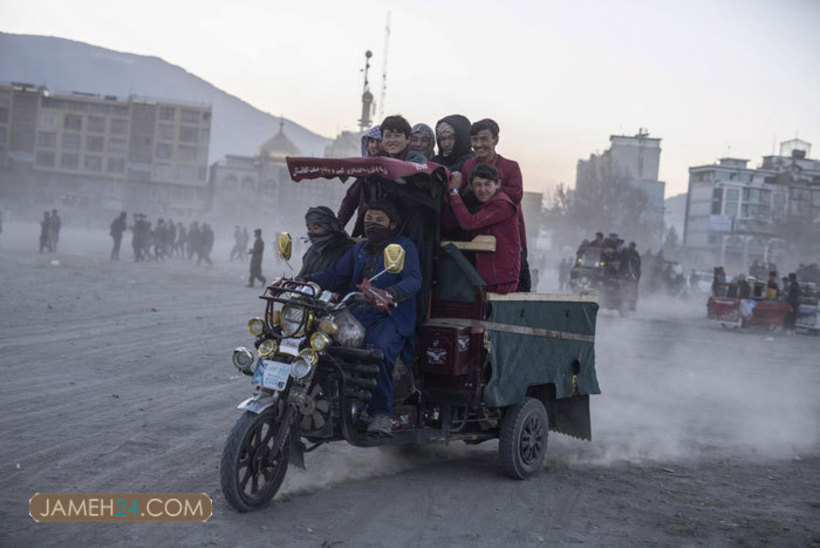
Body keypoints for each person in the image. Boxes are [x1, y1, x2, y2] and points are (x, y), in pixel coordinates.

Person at [309, 199, 421, 434]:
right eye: (369, 219)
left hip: (390, 316)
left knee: (377, 351)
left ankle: (381, 414)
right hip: (356, 313)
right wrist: (304, 282)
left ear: (392, 223)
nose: (372, 224)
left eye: (379, 220)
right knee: (321, 343)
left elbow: (413, 279)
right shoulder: (358, 249)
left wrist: (390, 293)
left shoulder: (404, 246)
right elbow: (333, 275)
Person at [458, 118, 530, 291]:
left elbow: (516, 194)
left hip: (510, 240)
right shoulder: (468, 166)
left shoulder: (510, 167)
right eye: (474, 140)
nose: (478, 144)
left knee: (517, 288)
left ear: (495, 140)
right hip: (479, 238)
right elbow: (464, 196)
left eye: (484, 139)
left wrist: (480, 187)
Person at [444, 164, 520, 294]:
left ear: (497, 184)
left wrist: (454, 192)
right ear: (471, 187)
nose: (482, 189)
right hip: (490, 275)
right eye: (478, 185)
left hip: (501, 279)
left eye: (487, 184)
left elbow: (468, 223)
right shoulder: (486, 203)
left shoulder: (502, 204)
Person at [298, 206, 354, 277]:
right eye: (309, 229)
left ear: (329, 226)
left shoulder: (348, 251)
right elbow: (301, 277)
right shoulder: (312, 251)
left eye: (316, 228)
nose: (311, 233)